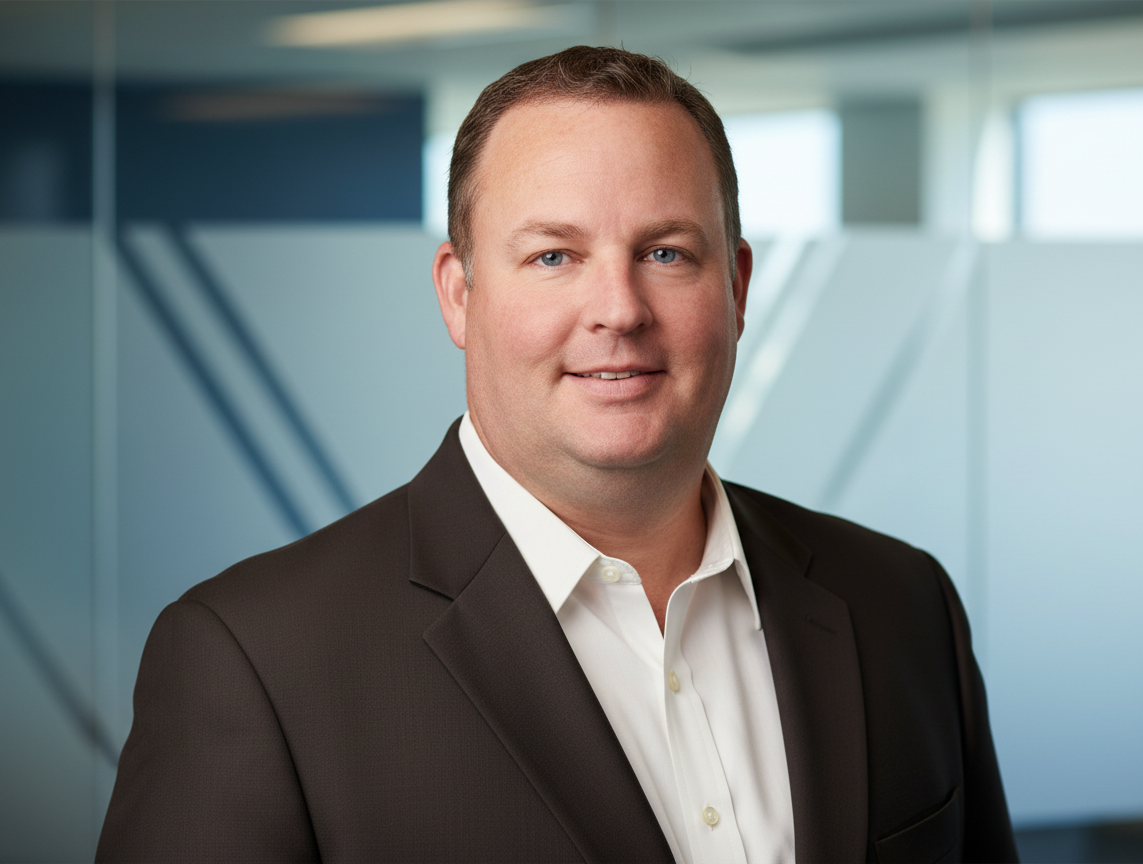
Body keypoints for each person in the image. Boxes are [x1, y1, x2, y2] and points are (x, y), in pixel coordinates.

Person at [97, 46, 1017, 864]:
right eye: (552, 257)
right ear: (459, 296)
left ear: (736, 289)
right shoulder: (255, 660)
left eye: (664, 252)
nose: (618, 309)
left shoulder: (902, 606)